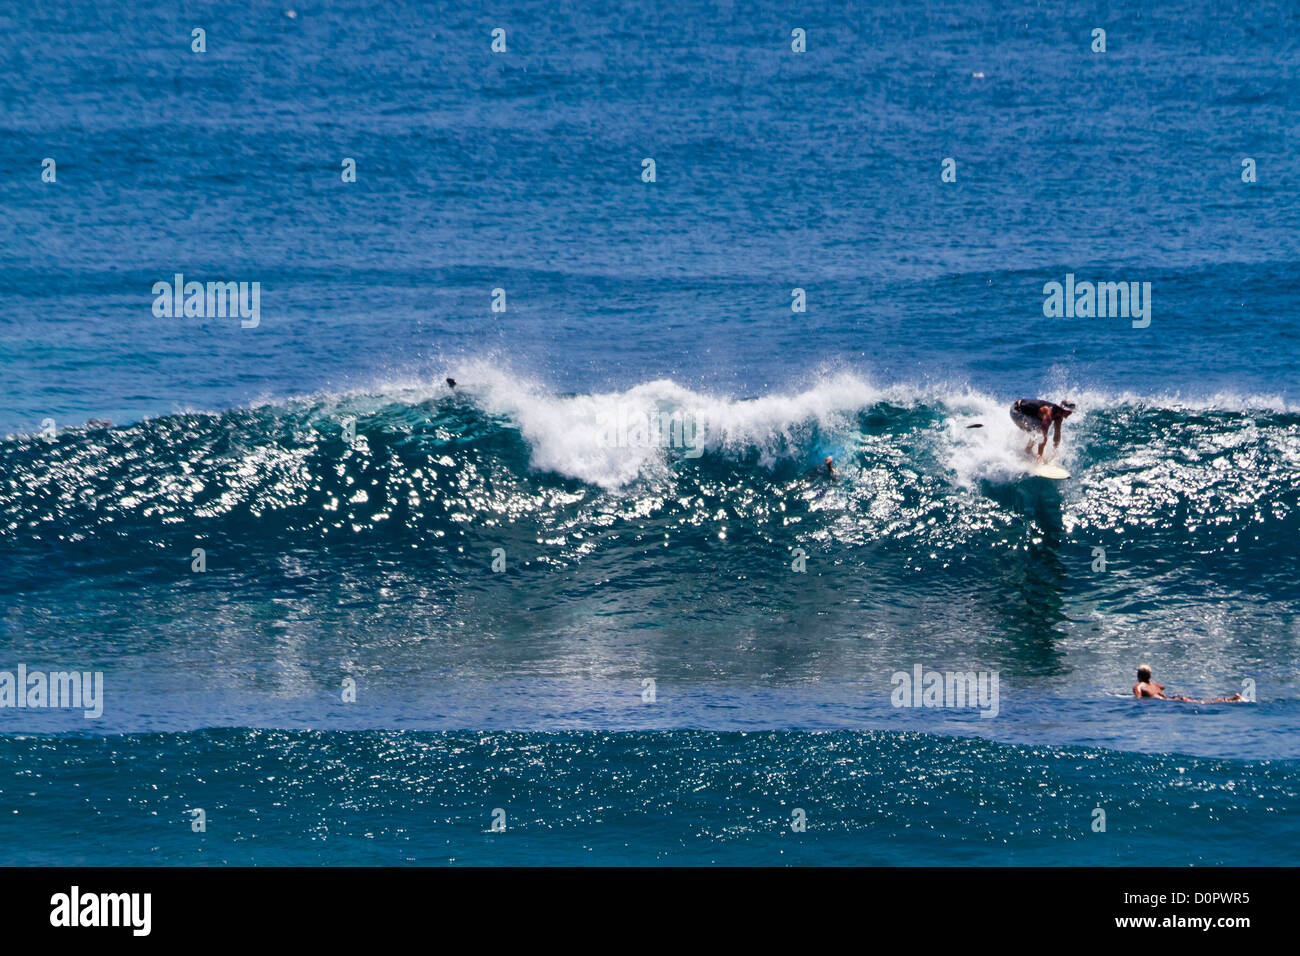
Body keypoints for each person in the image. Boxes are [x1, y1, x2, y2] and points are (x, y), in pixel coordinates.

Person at [1132, 664, 1243, 703]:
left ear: (1139, 676)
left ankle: (1232, 699)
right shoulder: (1154, 684)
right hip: (1173, 698)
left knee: (1201, 702)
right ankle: (1230, 699)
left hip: (1170, 702)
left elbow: (1138, 699)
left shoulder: (1139, 686)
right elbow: (1162, 687)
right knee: (1202, 701)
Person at [1010, 398, 1075, 462]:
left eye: (1071, 411)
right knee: (1038, 429)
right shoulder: (1048, 414)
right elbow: (1043, 436)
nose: (1070, 413)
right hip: (1016, 410)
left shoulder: (1059, 416)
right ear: (1062, 409)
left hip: (1027, 413)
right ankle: (1028, 450)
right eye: (1069, 411)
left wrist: (1055, 450)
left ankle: (1028, 449)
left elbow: (1057, 433)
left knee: (1037, 427)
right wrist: (1040, 456)